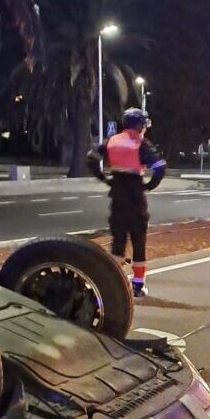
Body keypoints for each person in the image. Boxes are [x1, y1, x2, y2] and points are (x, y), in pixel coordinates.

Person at [88, 108, 166, 297]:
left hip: (117, 195)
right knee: (139, 242)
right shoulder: (140, 143)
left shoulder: (112, 141)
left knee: (118, 242)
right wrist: (149, 186)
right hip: (135, 196)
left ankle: (111, 284)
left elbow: (91, 158)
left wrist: (103, 178)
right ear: (139, 125)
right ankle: (138, 286)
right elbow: (160, 167)